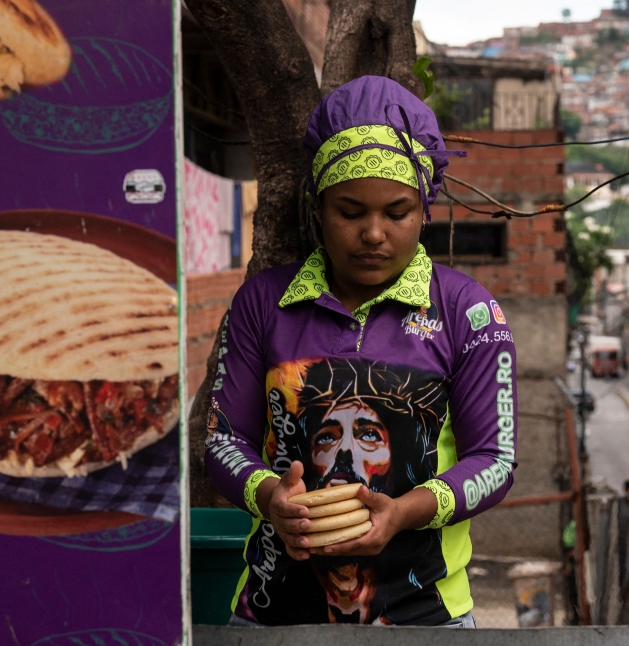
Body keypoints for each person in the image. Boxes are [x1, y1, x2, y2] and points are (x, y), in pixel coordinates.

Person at [204, 76, 518, 627]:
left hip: (427, 621)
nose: (373, 233)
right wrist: (271, 496)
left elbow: (495, 460)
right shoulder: (264, 302)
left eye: (397, 213)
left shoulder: (468, 313)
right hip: (272, 619)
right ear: (318, 208)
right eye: (350, 212)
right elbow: (224, 441)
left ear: (424, 209)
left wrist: (404, 512)